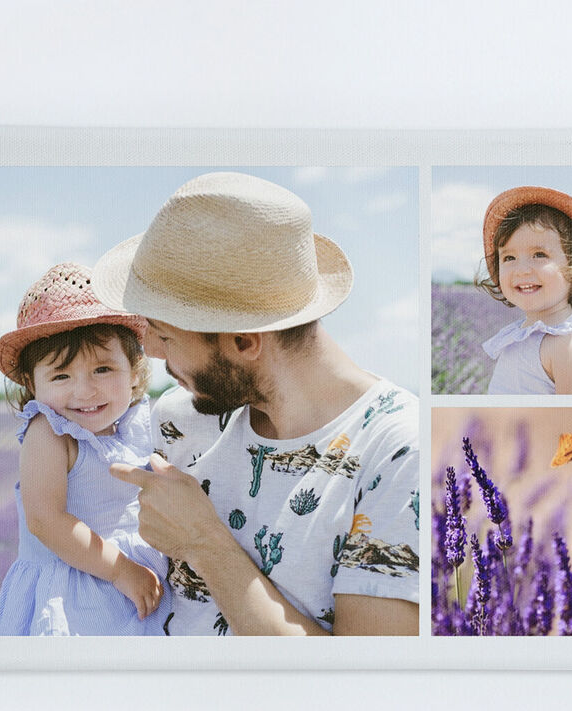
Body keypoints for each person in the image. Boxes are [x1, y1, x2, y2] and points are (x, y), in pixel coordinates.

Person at [95, 172, 420, 637]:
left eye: (165, 336)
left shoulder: (399, 451)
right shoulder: (177, 418)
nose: (150, 351)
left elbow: (359, 672)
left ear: (245, 342)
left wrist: (204, 543)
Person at [0, 263, 169, 637]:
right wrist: (120, 569)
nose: (84, 391)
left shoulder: (138, 425)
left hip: (138, 582)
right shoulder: (49, 432)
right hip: (74, 593)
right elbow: (45, 519)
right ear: (32, 384)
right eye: (61, 376)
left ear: (134, 370)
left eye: (102, 370)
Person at [477, 186, 572, 395]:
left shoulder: (567, 346)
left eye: (539, 255)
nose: (521, 270)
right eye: (509, 258)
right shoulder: (518, 335)